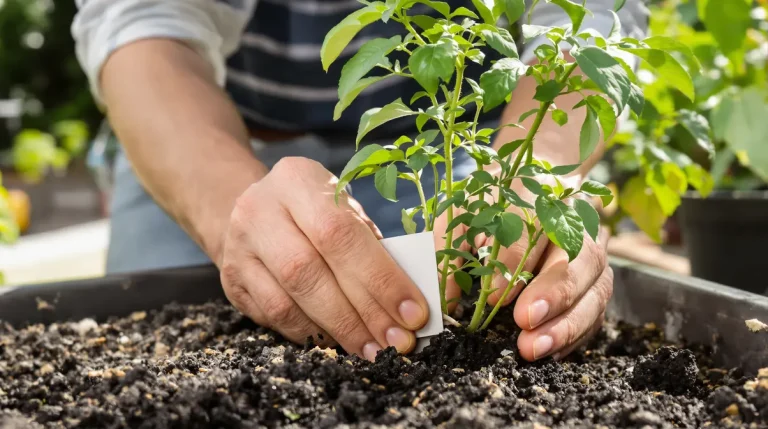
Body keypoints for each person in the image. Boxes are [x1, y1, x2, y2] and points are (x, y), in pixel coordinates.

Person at [72, 0, 648, 363]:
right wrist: (230, 211)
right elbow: (141, 25)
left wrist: (533, 176)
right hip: (209, 138)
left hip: (451, 152)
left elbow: (589, 20)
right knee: (145, 344)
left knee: (504, 291)